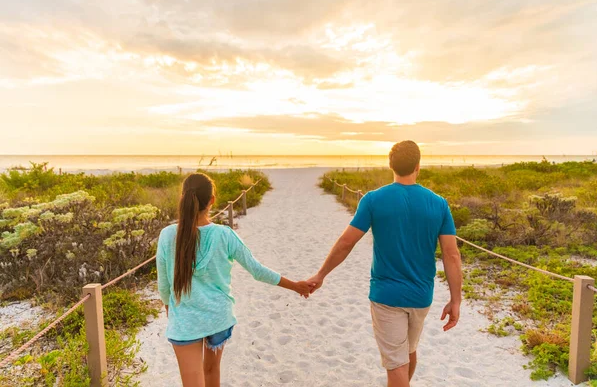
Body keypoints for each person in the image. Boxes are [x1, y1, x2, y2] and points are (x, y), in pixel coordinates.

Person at [307, 141, 463, 387]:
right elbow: (451, 255)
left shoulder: (373, 200)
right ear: (418, 166)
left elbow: (346, 242)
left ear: (390, 165)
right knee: (408, 353)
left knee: (397, 364)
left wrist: (321, 274)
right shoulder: (438, 203)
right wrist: (456, 300)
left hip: (386, 296)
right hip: (421, 296)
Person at [156, 173, 313, 387]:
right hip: (218, 317)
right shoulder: (225, 235)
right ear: (211, 200)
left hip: (185, 320)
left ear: (183, 197)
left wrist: (170, 308)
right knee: (211, 373)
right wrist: (295, 286)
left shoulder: (167, 235)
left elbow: (164, 286)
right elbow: (257, 270)